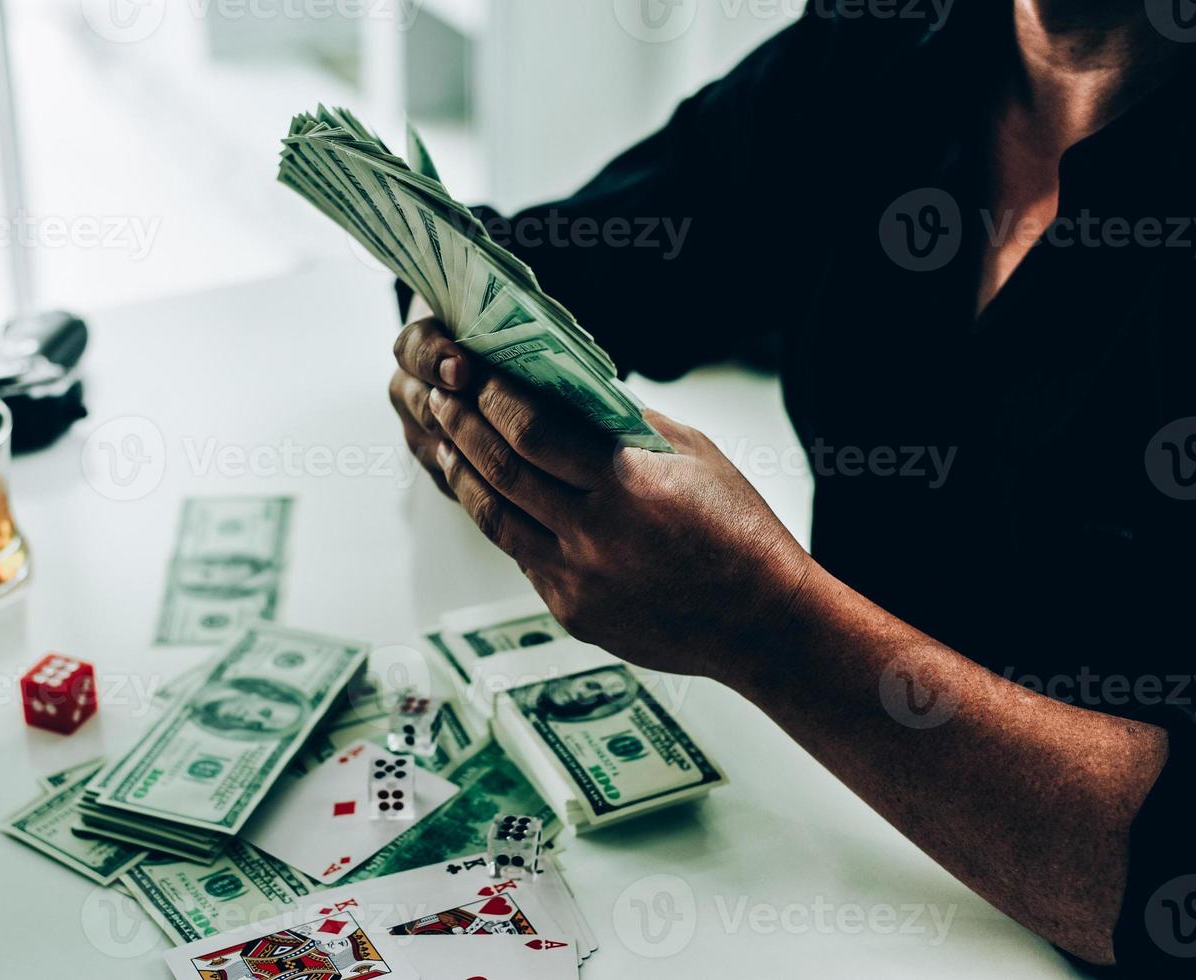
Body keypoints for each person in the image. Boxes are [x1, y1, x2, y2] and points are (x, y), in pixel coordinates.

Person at [385, 0, 1196, 972]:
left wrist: (764, 624)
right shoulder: (885, 43)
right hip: (829, 867)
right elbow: (578, 267)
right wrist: (454, 334)